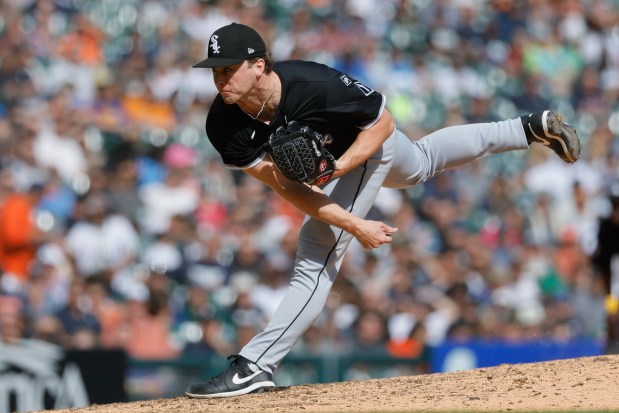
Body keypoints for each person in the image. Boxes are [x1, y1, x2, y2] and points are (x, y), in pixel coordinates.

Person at [185, 23, 581, 398]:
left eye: (228, 69)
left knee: (315, 255)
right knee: (422, 163)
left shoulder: (314, 84)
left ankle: (255, 365)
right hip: (335, 164)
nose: (220, 79)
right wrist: (352, 220)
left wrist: (340, 176)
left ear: (258, 65)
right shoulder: (223, 123)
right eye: (215, 71)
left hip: (367, 142)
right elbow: (288, 189)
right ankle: (527, 128)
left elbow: (382, 123)